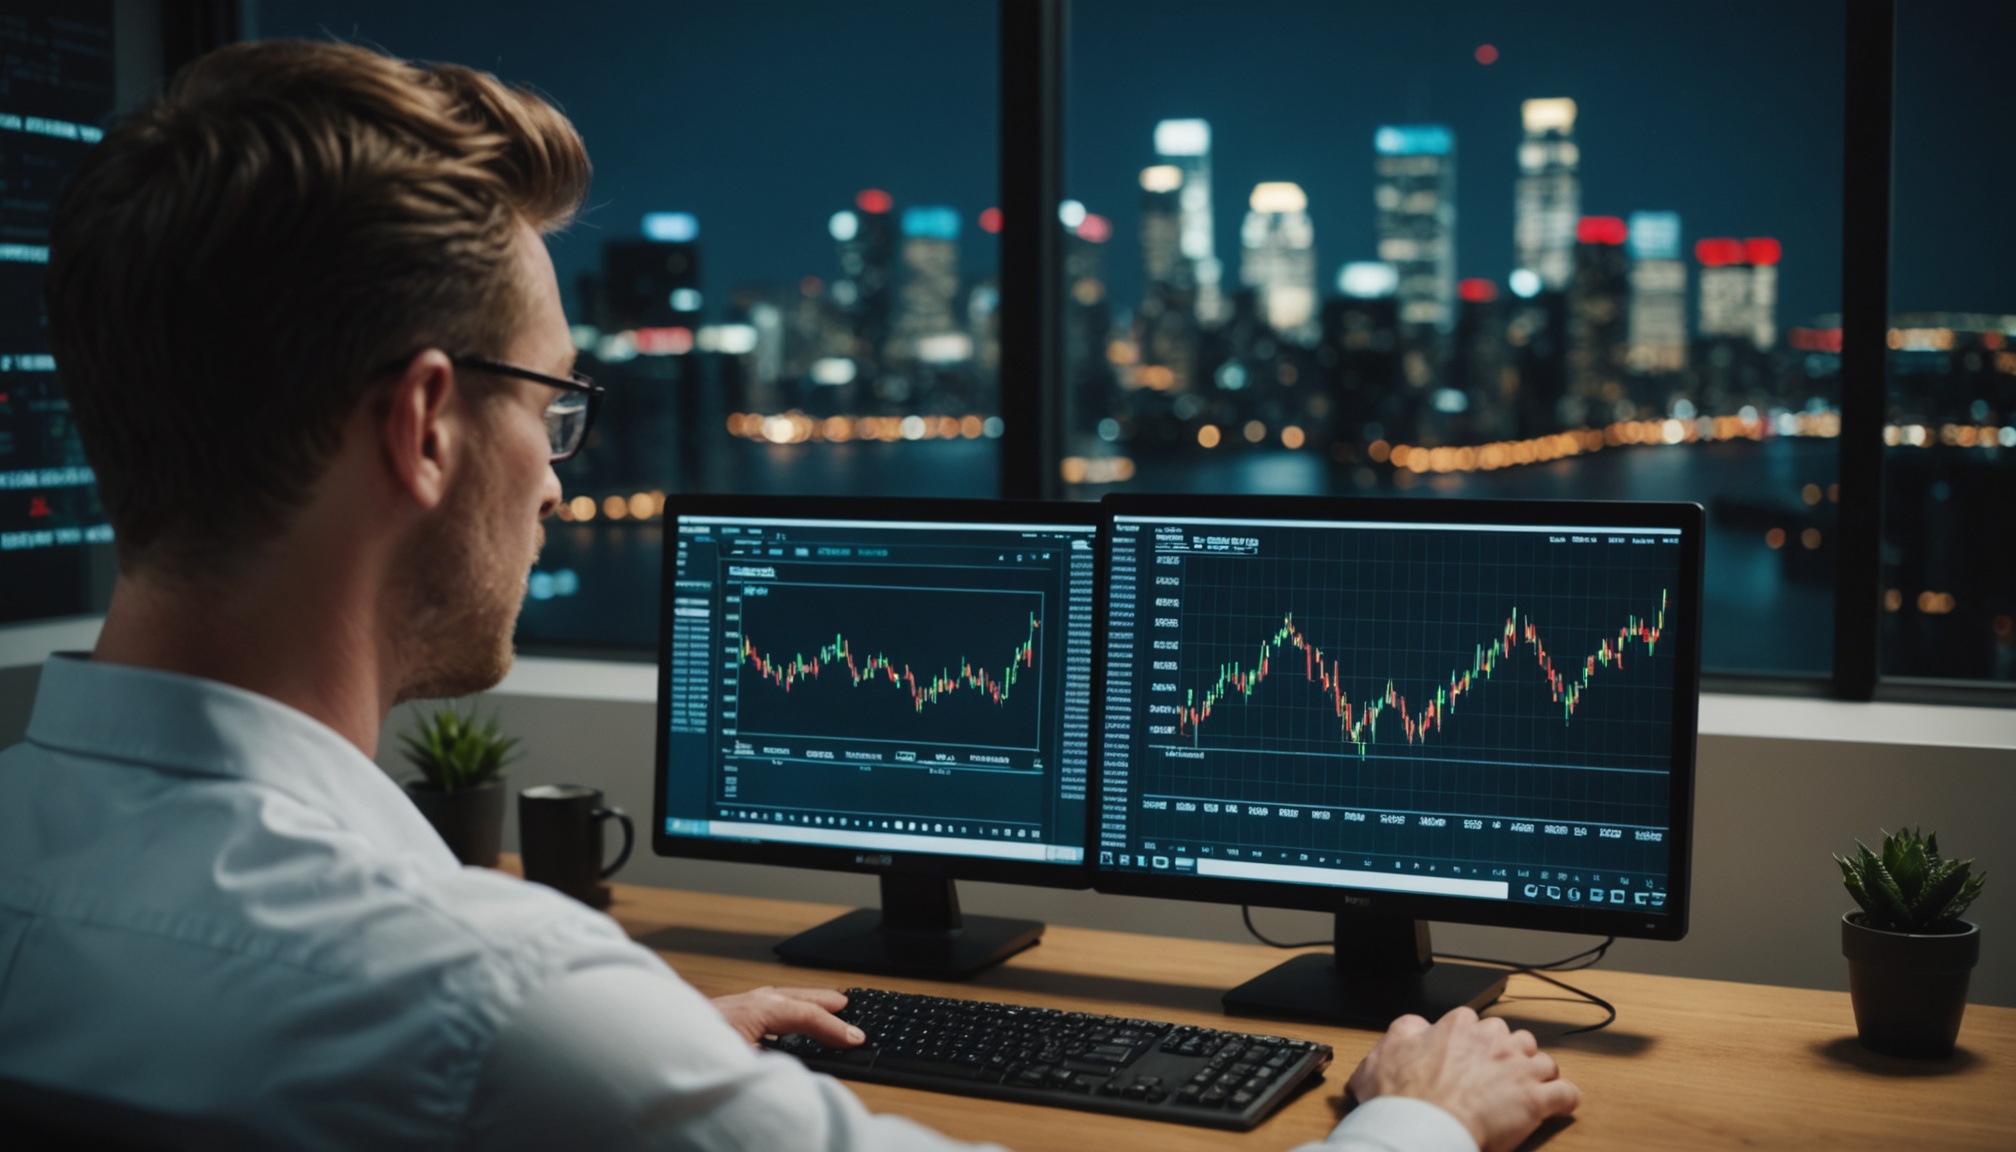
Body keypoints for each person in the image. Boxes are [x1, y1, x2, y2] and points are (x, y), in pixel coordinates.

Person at [0, 39, 1578, 1152]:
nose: (557, 478)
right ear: (422, 426)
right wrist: (1423, 1128)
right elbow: (495, 1036)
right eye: (549, 406)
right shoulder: (503, 1005)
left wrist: (656, 1064)